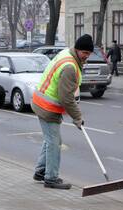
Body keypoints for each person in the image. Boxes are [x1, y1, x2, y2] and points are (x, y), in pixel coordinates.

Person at [31, 34, 94, 190]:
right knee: (54, 142)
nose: (86, 56)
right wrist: (78, 118)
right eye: (84, 53)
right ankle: (50, 178)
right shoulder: (70, 67)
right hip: (47, 107)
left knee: (51, 140)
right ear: (77, 50)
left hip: (42, 102)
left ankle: (40, 171)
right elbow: (66, 98)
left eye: (89, 53)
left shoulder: (68, 54)